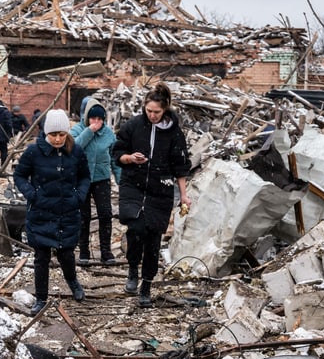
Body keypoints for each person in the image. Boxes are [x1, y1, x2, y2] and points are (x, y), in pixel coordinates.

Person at [112, 82, 191, 308]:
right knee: (136, 229)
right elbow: (117, 151)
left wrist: (184, 195)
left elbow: (180, 166)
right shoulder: (134, 126)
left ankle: (146, 284)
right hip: (133, 185)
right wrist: (128, 158)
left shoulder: (175, 133)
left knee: (153, 238)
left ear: (165, 109)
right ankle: (132, 270)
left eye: (157, 112)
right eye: (149, 111)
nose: (153, 115)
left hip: (160, 189)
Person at [13, 109, 91, 316]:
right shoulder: (33, 152)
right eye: (53, 135)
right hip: (41, 212)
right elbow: (19, 176)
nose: (57, 139)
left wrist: (79, 196)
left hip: (68, 211)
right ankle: (41, 298)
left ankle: (73, 283)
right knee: (41, 257)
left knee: (66, 254)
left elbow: (85, 177)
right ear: (46, 133)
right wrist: (32, 194)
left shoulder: (76, 151)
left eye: (61, 134)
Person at [70, 97, 121, 265]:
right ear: (86, 118)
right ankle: (84, 251)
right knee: (83, 216)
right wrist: (89, 131)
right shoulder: (77, 130)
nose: (97, 122)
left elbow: (115, 158)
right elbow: (74, 148)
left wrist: (120, 179)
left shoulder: (108, 133)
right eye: (93, 118)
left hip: (101, 178)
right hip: (82, 179)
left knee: (105, 214)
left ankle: (106, 252)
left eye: (100, 119)